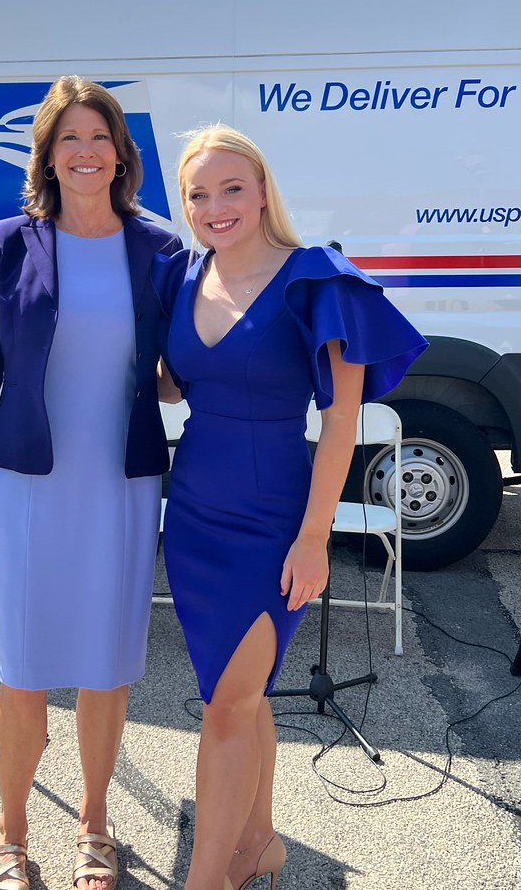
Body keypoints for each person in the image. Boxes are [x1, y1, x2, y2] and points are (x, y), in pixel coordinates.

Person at [154, 125, 427, 890]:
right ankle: (259, 845)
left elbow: (341, 420)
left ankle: (204, 880)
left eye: (232, 187)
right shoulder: (183, 278)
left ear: (264, 189)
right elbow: (177, 383)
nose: (216, 206)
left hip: (273, 517)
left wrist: (315, 539)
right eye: (199, 194)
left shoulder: (315, 278)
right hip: (194, 512)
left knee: (227, 708)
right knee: (237, 695)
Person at [0, 76, 182, 890]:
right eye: (69, 139)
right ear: (46, 155)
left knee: (107, 665)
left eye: (99, 137)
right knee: (22, 670)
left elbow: (180, 361)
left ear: (122, 153)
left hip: (120, 486)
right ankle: (10, 836)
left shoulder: (161, 250)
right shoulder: (8, 242)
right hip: (25, 487)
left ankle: (93, 823)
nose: (85, 153)